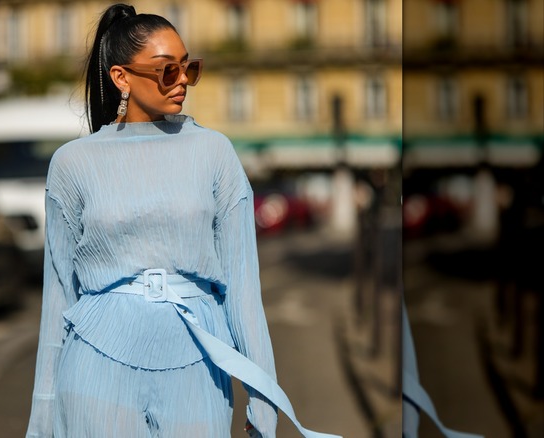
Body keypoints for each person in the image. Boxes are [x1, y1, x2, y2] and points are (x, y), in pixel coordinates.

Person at [26, 4, 338, 438]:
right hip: (95, 365)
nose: (182, 82)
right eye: (166, 71)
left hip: (198, 362)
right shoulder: (72, 163)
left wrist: (263, 398)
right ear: (121, 77)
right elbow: (58, 298)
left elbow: (244, 291)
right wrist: (42, 416)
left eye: (188, 68)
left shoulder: (215, 153)